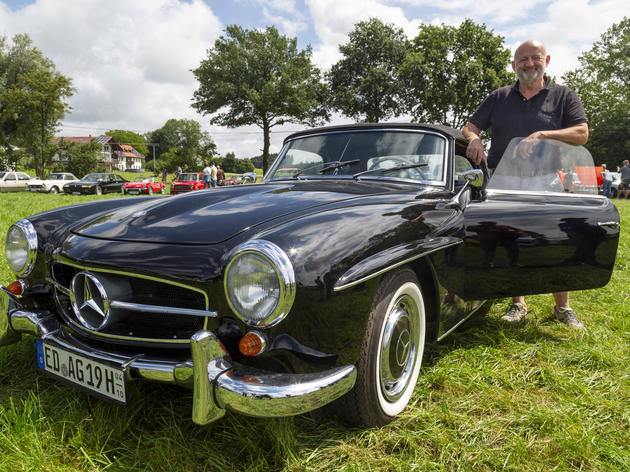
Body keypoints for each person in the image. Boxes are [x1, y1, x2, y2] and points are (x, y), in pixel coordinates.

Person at [462, 39, 589, 329]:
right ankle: (518, 302)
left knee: (555, 241)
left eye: (535, 58)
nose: (529, 64)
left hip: (547, 180)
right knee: (510, 240)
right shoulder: (498, 97)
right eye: (523, 60)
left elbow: (582, 133)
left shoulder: (563, 96)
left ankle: (563, 307)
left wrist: (543, 135)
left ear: (547, 60)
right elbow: (469, 127)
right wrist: (475, 138)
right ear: (513, 65)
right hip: (504, 179)